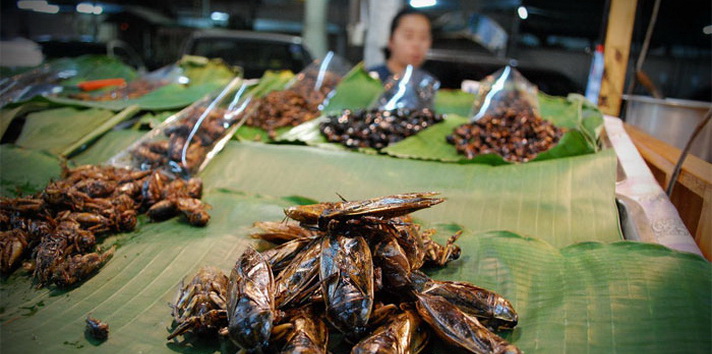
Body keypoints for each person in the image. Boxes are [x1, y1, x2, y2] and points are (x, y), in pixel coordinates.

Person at [368, 8, 433, 83]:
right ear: (391, 40)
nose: (417, 44)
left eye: (423, 37)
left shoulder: (427, 84)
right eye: (408, 36)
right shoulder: (371, 79)